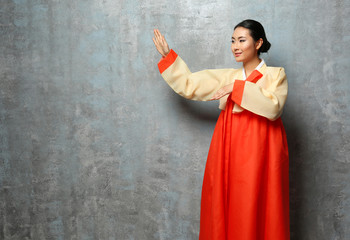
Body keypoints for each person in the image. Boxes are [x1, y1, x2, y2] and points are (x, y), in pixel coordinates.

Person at [152, 19, 290, 240]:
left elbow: (274, 107)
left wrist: (235, 89)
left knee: (259, 202)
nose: (235, 46)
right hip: (229, 145)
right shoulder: (229, 76)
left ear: (258, 43)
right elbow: (190, 84)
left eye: (242, 40)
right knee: (228, 202)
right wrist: (168, 56)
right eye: (233, 41)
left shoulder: (275, 75)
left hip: (263, 149)